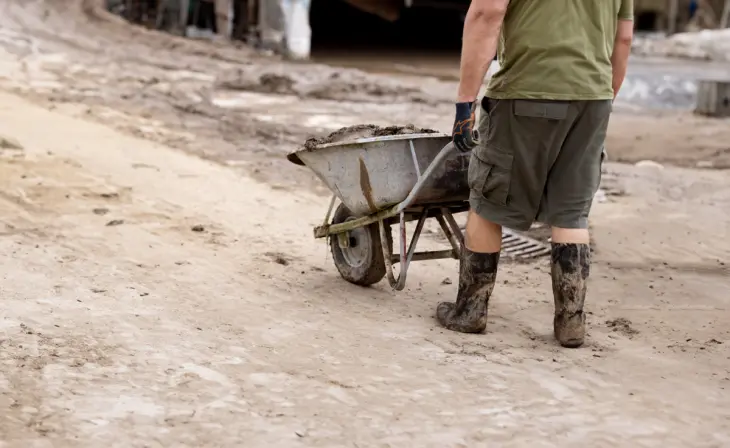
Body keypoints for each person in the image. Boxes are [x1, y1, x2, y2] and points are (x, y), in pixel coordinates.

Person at [438, 0, 634, 348]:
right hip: (593, 96)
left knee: (487, 200)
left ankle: (469, 311)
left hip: (525, 93)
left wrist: (464, 103)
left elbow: (487, 13)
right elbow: (623, 39)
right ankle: (571, 322)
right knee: (571, 211)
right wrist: (602, 98)